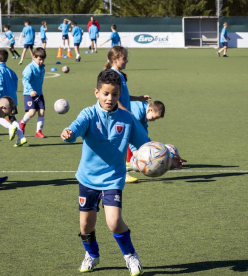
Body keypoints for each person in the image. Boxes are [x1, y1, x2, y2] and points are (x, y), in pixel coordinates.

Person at [61, 69, 150, 276]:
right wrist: (69, 133)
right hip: (88, 178)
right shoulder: (89, 114)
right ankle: (92, 255)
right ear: (97, 92)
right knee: (85, 225)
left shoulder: (127, 119)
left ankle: (130, 256)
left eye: (115, 94)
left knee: (114, 221)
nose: (110, 98)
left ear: (120, 94)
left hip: (112, 179)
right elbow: (75, 127)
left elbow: (146, 145)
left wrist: (169, 159)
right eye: (106, 94)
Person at [104, 46, 151, 183]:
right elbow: (114, 97)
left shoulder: (119, 75)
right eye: (124, 58)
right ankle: (119, 173)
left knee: (123, 144)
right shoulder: (113, 75)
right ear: (114, 59)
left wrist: (138, 98)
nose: (126, 61)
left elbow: (123, 95)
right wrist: (125, 111)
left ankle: (121, 171)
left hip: (122, 115)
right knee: (120, 145)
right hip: (117, 116)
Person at [127, 101, 186, 170]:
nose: (153, 120)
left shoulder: (144, 117)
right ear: (149, 110)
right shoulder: (137, 113)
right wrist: (135, 151)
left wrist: (170, 156)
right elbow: (132, 133)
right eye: (153, 117)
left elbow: (145, 141)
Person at [0, 48, 27, 147]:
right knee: (13, 118)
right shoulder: (10, 71)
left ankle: (10, 127)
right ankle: (21, 138)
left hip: (3, 100)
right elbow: (16, 82)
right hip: (12, 99)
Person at [19, 47, 47, 138]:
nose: (41, 61)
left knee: (42, 112)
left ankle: (38, 131)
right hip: (29, 93)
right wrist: (30, 90)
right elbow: (25, 80)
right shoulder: (29, 68)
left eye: (43, 59)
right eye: (39, 59)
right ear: (34, 57)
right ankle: (22, 123)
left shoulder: (42, 68)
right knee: (32, 112)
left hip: (39, 93)